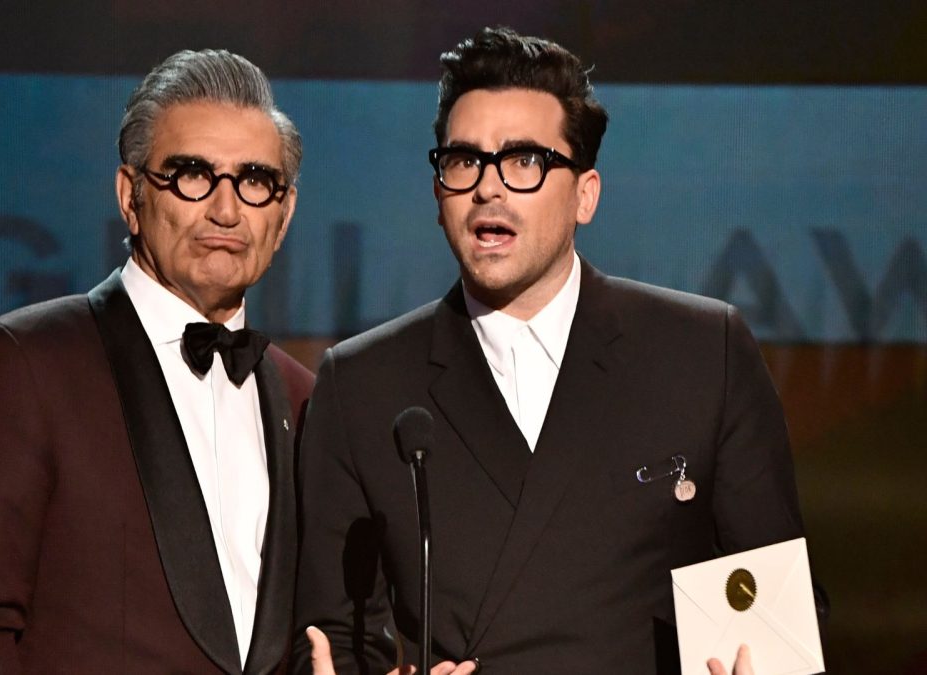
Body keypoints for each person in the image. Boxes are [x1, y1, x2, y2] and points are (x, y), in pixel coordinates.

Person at [292, 27, 816, 674]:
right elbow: (332, 638)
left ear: (585, 195)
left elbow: (776, 607)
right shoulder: (361, 383)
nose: (489, 188)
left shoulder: (703, 351)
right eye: (464, 161)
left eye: (524, 161)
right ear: (438, 194)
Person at [0, 49, 313, 674]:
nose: (226, 208)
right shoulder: (22, 365)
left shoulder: (305, 398)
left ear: (284, 211)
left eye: (254, 180)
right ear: (131, 195)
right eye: (192, 175)